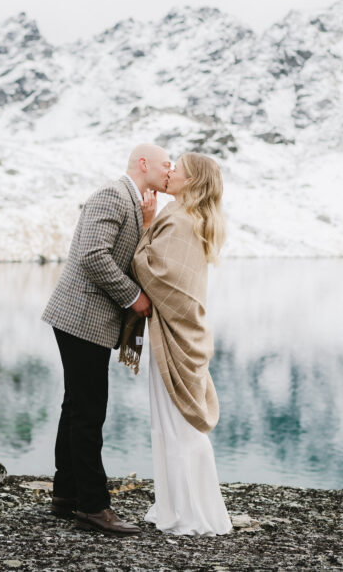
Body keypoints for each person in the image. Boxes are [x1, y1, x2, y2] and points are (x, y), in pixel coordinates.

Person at [41, 143, 171, 536]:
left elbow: (118, 252)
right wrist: (134, 297)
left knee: (76, 406)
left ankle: (65, 495)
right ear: (143, 164)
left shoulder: (133, 202)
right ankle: (93, 507)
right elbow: (93, 256)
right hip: (81, 318)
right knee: (89, 411)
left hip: (85, 320)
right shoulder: (112, 195)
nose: (170, 170)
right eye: (167, 164)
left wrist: (147, 225)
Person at [129, 152, 233, 536]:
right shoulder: (196, 218)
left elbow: (157, 274)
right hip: (183, 332)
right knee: (176, 426)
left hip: (174, 335)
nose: (170, 172)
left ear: (191, 181)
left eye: (178, 170)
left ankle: (190, 515)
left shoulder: (178, 219)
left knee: (174, 425)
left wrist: (144, 225)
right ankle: (181, 506)